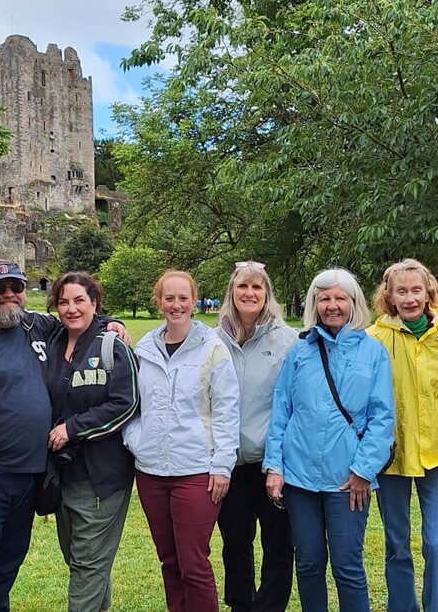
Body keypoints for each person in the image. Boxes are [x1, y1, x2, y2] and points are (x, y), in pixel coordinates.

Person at [0, 259, 129, 612]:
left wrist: (111, 323)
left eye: (17, 287)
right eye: (0, 289)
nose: (10, 295)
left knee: (9, 561)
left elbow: (80, 318)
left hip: (33, 475)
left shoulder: (39, 326)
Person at [263, 268, 395, 612]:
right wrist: (274, 466)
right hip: (299, 478)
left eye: (340, 298)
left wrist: (364, 470)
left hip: (348, 479)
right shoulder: (300, 351)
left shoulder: (373, 352)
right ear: (315, 303)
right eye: (325, 299)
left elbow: (383, 419)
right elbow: (282, 412)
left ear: (353, 303)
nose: (332, 305)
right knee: (307, 563)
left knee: (347, 566)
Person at [123, 270, 240, 612]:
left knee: (193, 562)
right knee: (169, 560)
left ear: (194, 301)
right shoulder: (144, 349)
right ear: (158, 302)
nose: (176, 305)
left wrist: (222, 466)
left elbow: (227, 410)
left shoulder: (212, 349)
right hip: (151, 472)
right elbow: (131, 404)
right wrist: (136, 440)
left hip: (197, 471)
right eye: (169, 298)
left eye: (183, 298)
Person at [367, 259, 438, 612]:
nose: (410, 298)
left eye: (416, 290)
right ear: (389, 296)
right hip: (391, 454)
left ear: (429, 293)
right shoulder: (372, 339)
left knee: (437, 543)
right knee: (396, 542)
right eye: (401, 291)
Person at [44, 272, 140, 612]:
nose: (71, 309)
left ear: (94, 303)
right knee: (81, 559)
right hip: (62, 475)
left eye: (79, 300)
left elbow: (125, 403)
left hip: (101, 477)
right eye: (64, 302)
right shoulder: (51, 342)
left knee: (87, 565)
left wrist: (72, 429)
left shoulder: (111, 346)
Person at [215, 261, 299, 612]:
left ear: (267, 295)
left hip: (273, 461)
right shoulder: (212, 340)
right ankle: (241, 605)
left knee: (279, 543)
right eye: (242, 287)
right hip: (228, 463)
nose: (249, 294)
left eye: (257, 288)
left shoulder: (288, 341)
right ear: (232, 294)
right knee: (235, 542)